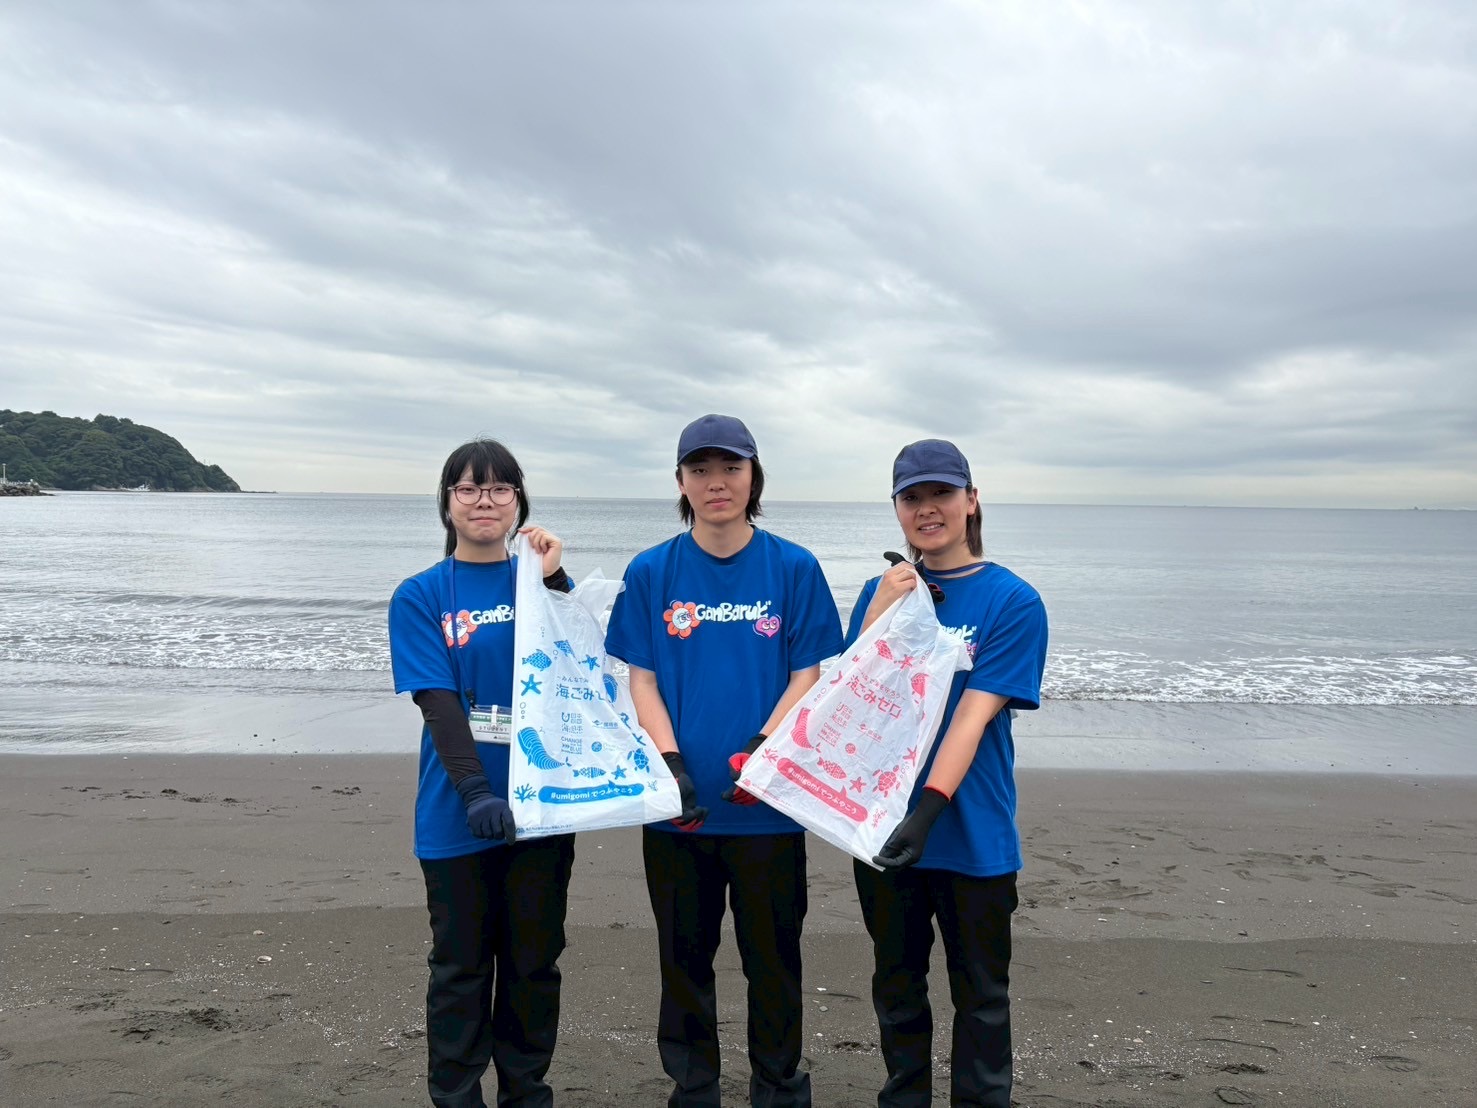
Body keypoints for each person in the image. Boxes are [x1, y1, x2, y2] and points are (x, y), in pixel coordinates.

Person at [604, 413, 845, 1108]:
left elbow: (808, 672)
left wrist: (766, 749)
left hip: (767, 808)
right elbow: (640, 677)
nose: (716, 483)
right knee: (684, 961)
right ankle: (695, 1086)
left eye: (730, 468)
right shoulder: (651, 571)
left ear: (752, 476)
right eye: (700, 471)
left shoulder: (792, 566)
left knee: (773, 959)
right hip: (677, 810)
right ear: (680, 482)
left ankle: (777, 1084)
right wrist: (672, 765)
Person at [846, 439, 1048, 1108]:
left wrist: (926, 812)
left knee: (981, 997)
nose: (926, 509)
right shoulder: (883, 594)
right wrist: (881, 608)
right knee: (896, 987)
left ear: (970, 499)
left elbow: (971, 715)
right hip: (882, 827)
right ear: (897, 509)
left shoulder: (1012, 601)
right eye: (911, 497)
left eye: (939, 494)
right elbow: (848, 698)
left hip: (969, 834)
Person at [388, 438, 577, 1108]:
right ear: (447, 504)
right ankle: (458, 1096)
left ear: (519, 501)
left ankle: (527, 1093)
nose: (483, 500)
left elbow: (581, 670)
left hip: (544, 808)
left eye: (498, 488)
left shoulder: (542, 585)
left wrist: (554, 579)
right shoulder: (421, 594)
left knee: (532, 965)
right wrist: (474, 791)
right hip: (456, 812)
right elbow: (437, 701)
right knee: (460, 969)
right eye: (467, 488)